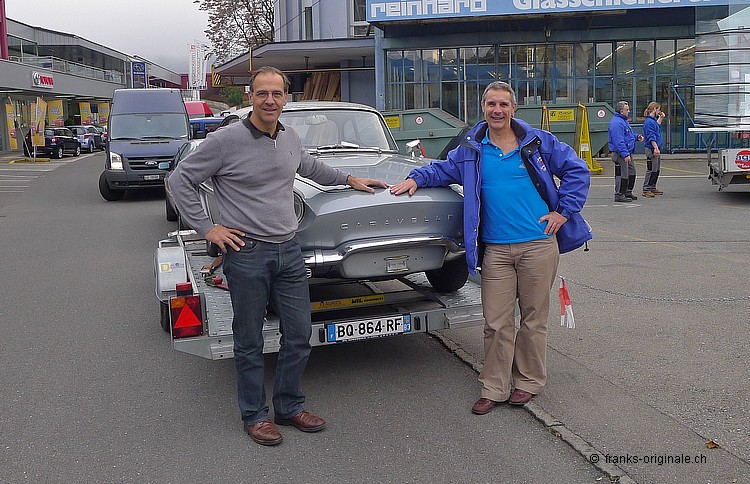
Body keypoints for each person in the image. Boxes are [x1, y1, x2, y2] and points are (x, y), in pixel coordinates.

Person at [168, 66, 388, 446]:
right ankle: (255, 415)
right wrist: (208, 229)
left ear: (286, 98)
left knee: (299, 334)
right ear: (250, 97)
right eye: (262, 93)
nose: (270, 100)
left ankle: (288, 406)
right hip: (247, 253)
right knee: (249, 340)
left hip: (289, 250)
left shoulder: (289, 137)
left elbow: (311, 166)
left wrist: (349, 179)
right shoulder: (225, 141)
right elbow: (179, 180)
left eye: (277, 94)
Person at [390, 81, 590, 413]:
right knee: (496, 322)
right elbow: (442, 169)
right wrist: (416, 179)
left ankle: (528, 382)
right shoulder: (472, 149)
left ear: (514, 109)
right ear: (483, 108)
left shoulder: (538, 142)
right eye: (491, 104)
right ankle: (494, 386)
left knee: (533, 318)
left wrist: (564, 212)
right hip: (496, 251)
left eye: (503, 104)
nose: (497, 110)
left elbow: (576, 170)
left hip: (538, 245)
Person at [607, 101, 643, 202]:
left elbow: (628, 136)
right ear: (621, 111)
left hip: (627, 152)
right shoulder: (617, 123)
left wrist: (636, 137)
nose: (629, 111)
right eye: (627, 110)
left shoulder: (623, 121)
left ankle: (627, 191)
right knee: (623, 174)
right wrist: (625, 154)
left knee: (631, 172)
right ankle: (619, 194)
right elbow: (618, 141)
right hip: (620, 153)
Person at [642, 102, 665, 198]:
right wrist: (655, 148)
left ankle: (652, 186)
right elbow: (651, 136)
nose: (659, 111)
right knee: (651, 169)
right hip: (651, 148)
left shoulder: (652, 121)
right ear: (654, 109)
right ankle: (646, 188)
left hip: (655, 148)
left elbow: (657, 126)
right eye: (658, 109)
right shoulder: (648, 122)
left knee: (656, 169)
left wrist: (661, 118)